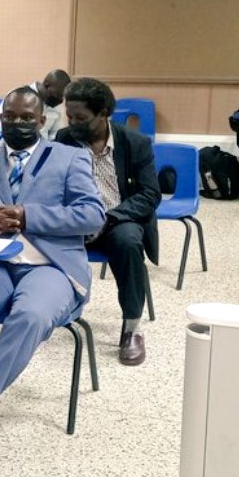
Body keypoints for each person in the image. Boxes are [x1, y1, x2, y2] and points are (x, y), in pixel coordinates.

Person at [0, 87, 105, 467]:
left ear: (42, 122)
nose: (18, 123)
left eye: (27, 118)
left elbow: (93, 215)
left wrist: (29, 216)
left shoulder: (69, 159)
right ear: (0, 119)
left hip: (50, 266)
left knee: (28, 316)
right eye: (10, 116)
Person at [56, 77, 160, 366]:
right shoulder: (63, 141)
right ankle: (43, 314)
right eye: (69, 116)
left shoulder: (135, 143)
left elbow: (150, 194)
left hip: (119, 218)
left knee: (128, 242)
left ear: (104, 114)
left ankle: (131, 329)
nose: (73, 123)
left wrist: (108, 218)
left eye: (81, 118)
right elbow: (52, 188)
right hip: (77, 220)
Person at [0, 69, 70, 141]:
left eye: (62, 97)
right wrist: (17, 132)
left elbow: (55, 133)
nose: (60, 100)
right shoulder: (17, 95)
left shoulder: (56, 106)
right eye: (57, 95)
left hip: (42, 149)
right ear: (46, 85)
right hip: (14, 142)